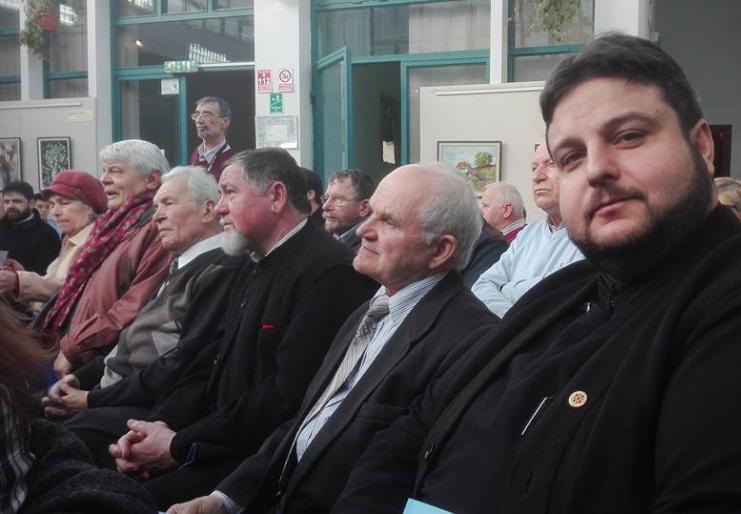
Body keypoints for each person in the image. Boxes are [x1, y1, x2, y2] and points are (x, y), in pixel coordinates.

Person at [331, 33, 741, 513]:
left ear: (702, 147)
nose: (597, 170)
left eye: (629, 136)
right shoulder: (560, 295)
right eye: (571, 157)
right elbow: (411, 426)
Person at [167, 164, 498, 514]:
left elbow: (403, 481)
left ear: (441, 250)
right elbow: (307, 423)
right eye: (370, 214)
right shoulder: (370, 310)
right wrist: (223, 499)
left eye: (388, 222)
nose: (363, 230)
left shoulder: (471, 343)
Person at [94, 148, 376, 509]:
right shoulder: (251, 261)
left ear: (276, 196)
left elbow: (285, 400)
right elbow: (209, 363)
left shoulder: (329, 273)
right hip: (212, 440)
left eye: (229, 193)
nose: (219, 208)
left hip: (255, 466)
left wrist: (178, 444)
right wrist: (154, 429)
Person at [43, 166, 239, 420]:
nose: (157, 216)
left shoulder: (219, 271)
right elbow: (132, 338)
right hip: (107, 388)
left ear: (209, 210)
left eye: (168, 203)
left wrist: (91, 399)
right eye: (156, 207)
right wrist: (79, 380)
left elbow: (177, 364)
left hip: (139, 409)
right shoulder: (180, 263)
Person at [0, 304, 159, 514]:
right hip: (64, 351)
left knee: (75, 428)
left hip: (75, 359)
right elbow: (122, 344)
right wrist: (80, 378)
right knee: (45, 404)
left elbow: (120, 317)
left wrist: (88, 396)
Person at [43, 140, 173, 379]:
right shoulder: (110, 225)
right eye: (103, 171)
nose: (103, 179)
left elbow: (134, 306)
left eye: (115, 171)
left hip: (103, 363)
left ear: (152, 179)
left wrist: (75, 347)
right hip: (79, 351)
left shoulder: (156, 228)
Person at [470, 143, 584, 317]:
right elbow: (481, 286)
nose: (537, 176)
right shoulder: (527, 233)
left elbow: (561, 292)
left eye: (551, 164)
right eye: (534, 168)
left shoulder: (593, 236)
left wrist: (505, 288)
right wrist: (514, 321)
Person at [0, 171, 106, 308]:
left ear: (89, 207)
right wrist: (20, 274)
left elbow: (72, 288)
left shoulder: (96, 244)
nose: (55, 212)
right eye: (52, 205)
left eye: (64, 203)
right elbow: (50, 281)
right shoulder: (71, 241)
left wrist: (18, 281)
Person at [0, 181, 61, 273]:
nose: (10, 206)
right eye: (6, 201)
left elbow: (49, 274)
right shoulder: (2, 226)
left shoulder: (46, 234)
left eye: (17, 201)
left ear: (31, 203)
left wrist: (20, 273)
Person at [322, 169, 374, 253]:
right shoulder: (320, 239)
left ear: (363, 207)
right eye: (325, 198)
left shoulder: (373, 249)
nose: (325, 206)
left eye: (338, 199)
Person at [189, 96, 236, 180]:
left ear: (225, 122)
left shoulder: (232, 162)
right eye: (197, 115)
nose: (199, 120)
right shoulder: (196, 155)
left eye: (206, 115)